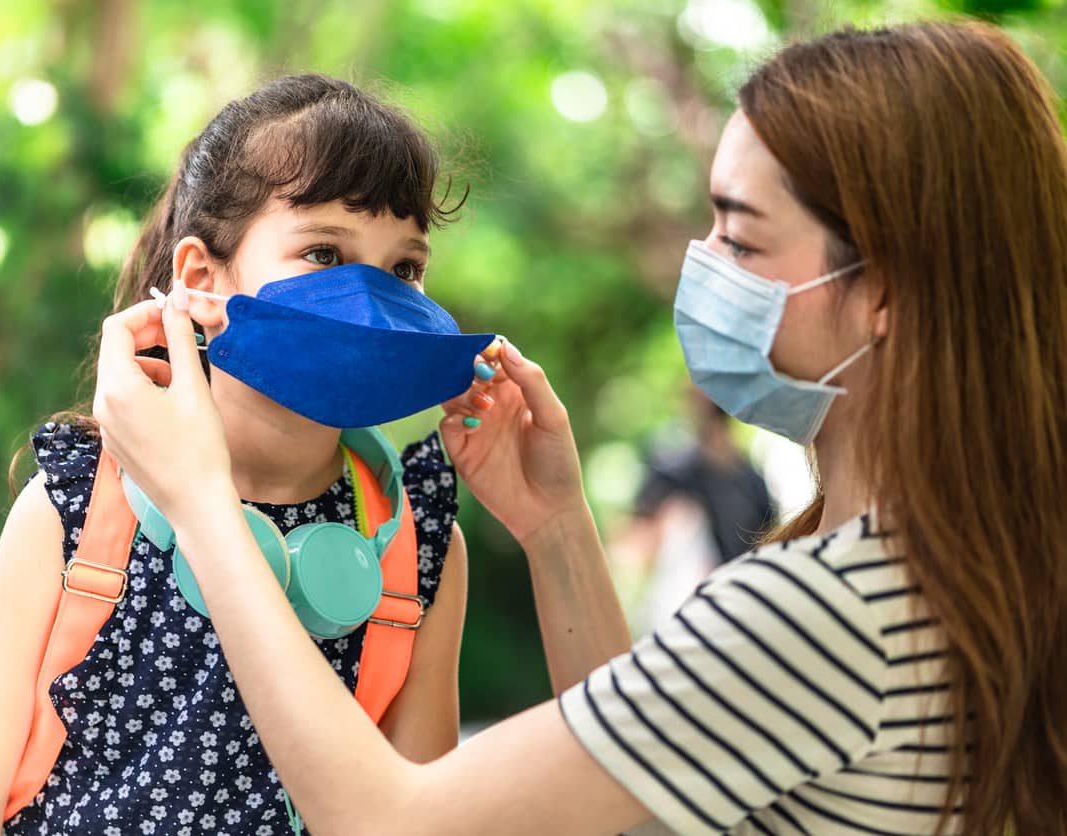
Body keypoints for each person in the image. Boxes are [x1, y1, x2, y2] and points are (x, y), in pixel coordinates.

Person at [94, 20, 1067, 835]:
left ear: (882, 290)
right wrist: (556, 524)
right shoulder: (939, 574)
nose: (703, 260)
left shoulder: (829, 606)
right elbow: (639, 789)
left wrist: (201, 498)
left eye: (738, 232)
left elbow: (390, 819)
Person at [0, 75, 475, 836]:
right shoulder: (80, 506)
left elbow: (422, 821)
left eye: (404, 268)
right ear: (200, 279)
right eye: (323, 252)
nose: (371, 302)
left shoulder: (418, 548)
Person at [613, 385, 776, 634]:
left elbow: (768, 543)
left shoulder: (751, 479)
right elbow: (634, 540)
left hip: (739, 611)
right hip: (686, 615)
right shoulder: (673, 472)